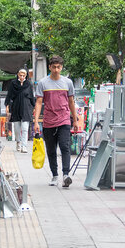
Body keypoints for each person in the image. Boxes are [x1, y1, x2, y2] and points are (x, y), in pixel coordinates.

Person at [33, 56, 79, 188]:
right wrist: (36, 122)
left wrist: (75, 120)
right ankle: (54, 175)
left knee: (65, 147)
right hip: (48, 121)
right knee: (51, 150)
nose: (56, 69)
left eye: (58, 67)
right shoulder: (43, 83)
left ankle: (66, 175)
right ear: (50, 67)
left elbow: (71, 102)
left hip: (64, 119)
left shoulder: (68, 82)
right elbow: (39, 102)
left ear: (62, 68)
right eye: (54, 67)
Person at [5, 69, 35, 153]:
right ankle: (18, 142)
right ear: (18, 75)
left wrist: (34, 106)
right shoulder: (13, 83)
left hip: (26, 108)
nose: (22, 77)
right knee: (17, 129)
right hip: (16, 108)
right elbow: (9, 95)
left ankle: (24, 146)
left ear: (26, 76)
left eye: (23, 75)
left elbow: (32, 96)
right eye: (20, 75)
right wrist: (7, 105)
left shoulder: (28, 84)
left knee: (25, 128)